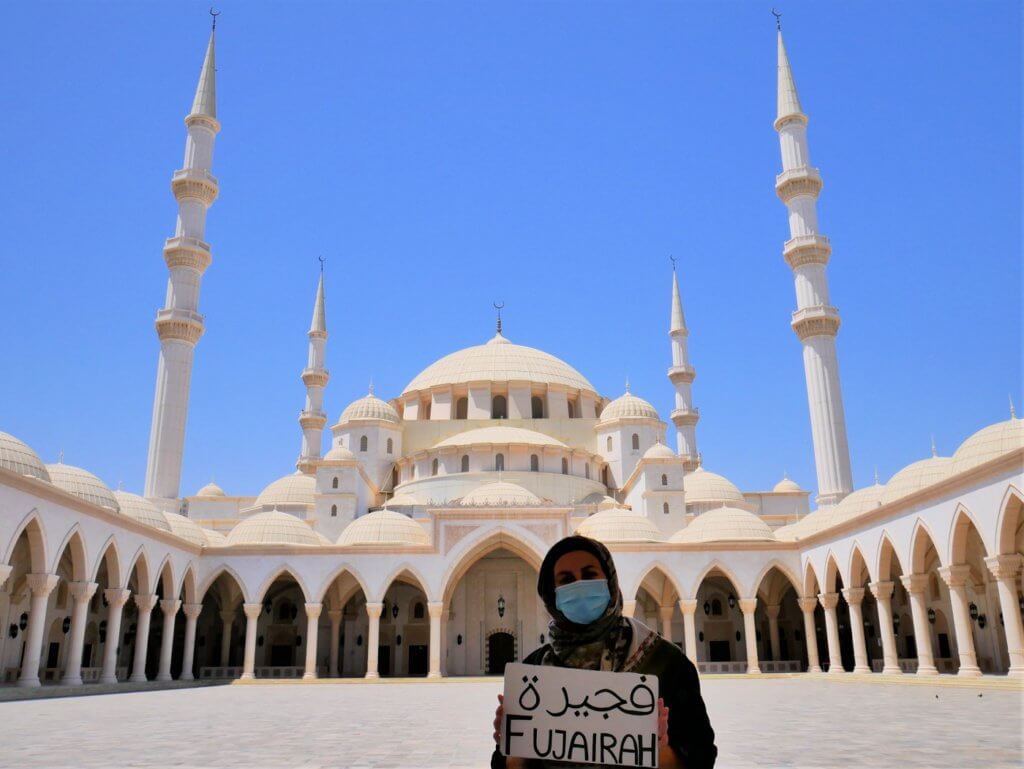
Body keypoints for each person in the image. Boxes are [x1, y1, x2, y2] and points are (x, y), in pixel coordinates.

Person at [491, 535, 717, 769]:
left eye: (589, 575)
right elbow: (507, 765)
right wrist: (514, 745)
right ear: (552, 594)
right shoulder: (533, 671)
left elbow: (701, 758)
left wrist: (658, 749)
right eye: (566, 580)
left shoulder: (666, 663)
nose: (578, 586)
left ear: (609, 582)